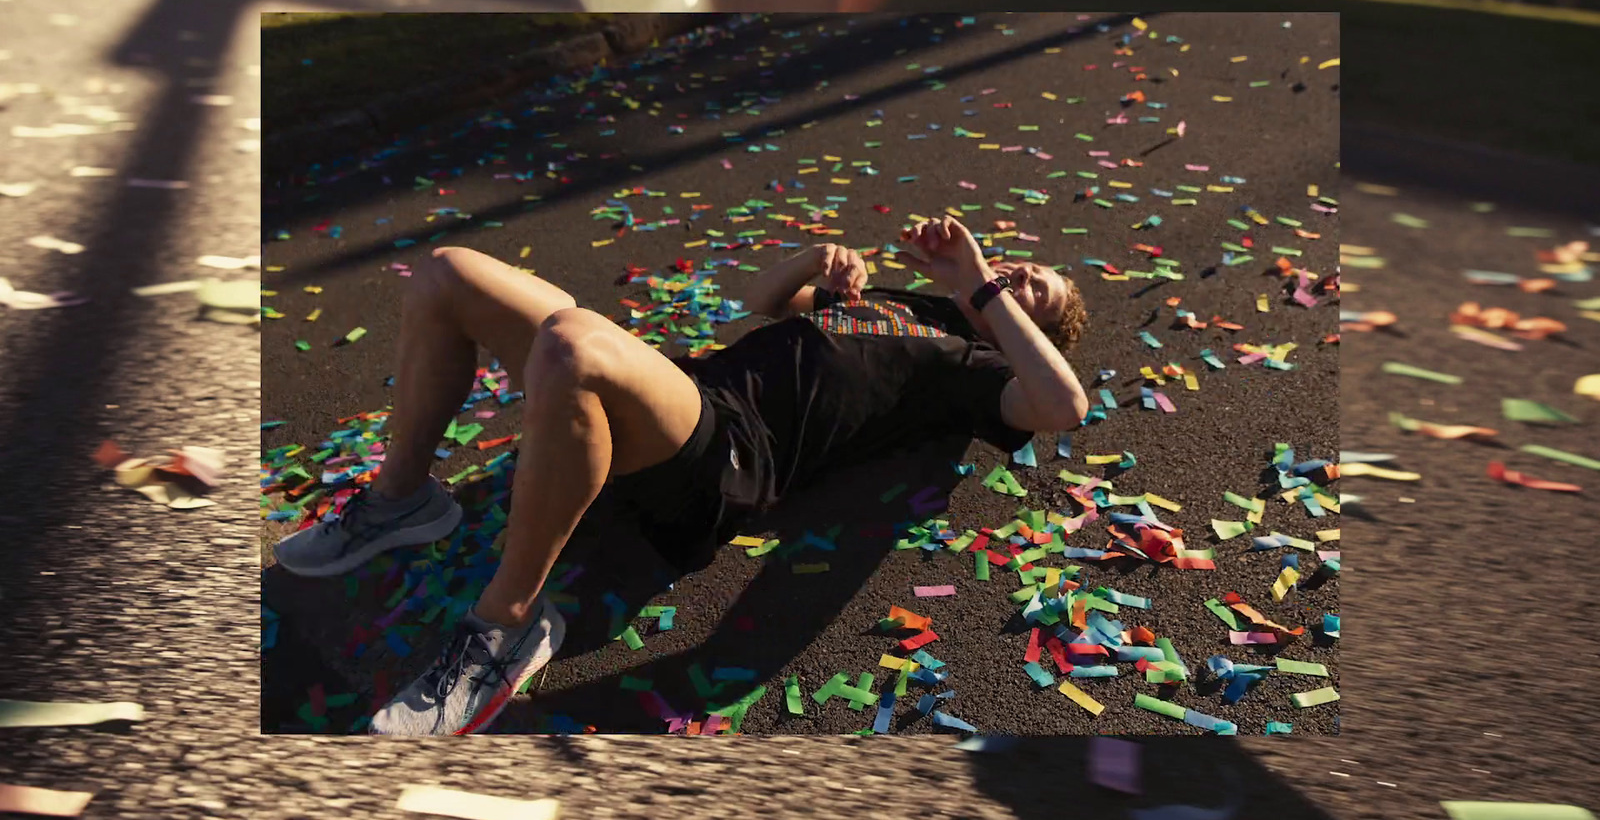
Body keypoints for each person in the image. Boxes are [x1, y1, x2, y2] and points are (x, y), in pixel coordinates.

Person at [273, 214, 1090, 735]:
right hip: (688, 393)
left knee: (570, 344)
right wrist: (813, 264)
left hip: (727, 461)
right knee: (448, 270)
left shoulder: (978, 367)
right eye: (1024, 267)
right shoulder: (905, 305)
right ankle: (401, 500)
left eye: (1037, 289)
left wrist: (983, 288)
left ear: (1039, 327)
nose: (1020, 275)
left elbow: (1063, 405)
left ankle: (507, 624)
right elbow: (750, 314)